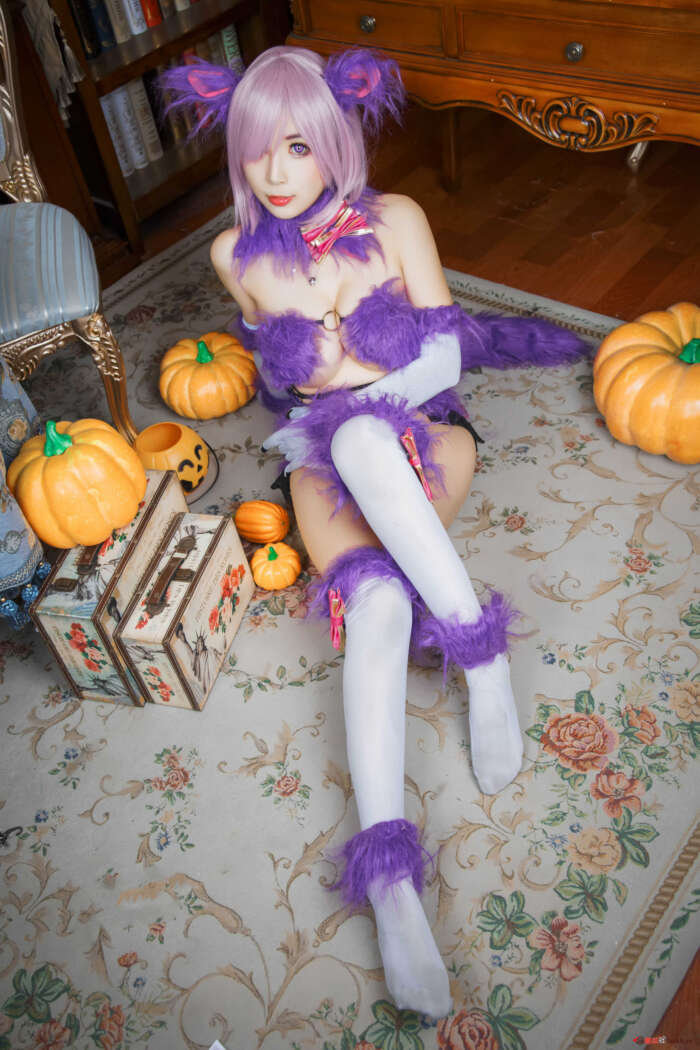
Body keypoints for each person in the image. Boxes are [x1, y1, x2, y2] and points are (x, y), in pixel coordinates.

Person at [162, 46, 586, 1019]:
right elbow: (282, 390)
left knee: (360, 431)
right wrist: (327, 401)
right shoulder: (234, 256)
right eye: (257, 148)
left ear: (335, 139)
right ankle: (393, 888)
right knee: (379, 602)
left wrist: (356, 398)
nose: (276, 171)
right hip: (317, 461)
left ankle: (480, 659)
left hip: (426, 433)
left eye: (298, 146)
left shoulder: (397, 220)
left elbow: (444, 362)